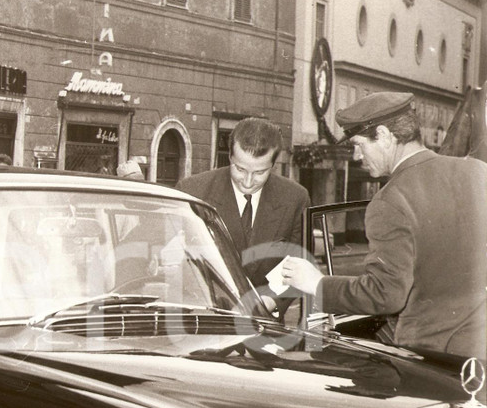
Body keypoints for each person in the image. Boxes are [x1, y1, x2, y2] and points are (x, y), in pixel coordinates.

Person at [282, 91, 487, 360]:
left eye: (358, 144)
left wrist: (317, 284)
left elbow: (386, 295)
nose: (356, 156)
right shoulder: (478, 172)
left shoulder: (391, 199)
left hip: (432, 356)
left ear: (385, 136)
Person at [176, 117, 310, 314]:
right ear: (229, 156)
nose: (247, 182)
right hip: (205, 318)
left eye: (259, 172)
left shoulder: (295, 198)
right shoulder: (193, 191)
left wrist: (271, 300)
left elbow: (298, 263)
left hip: (264, 324)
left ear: (273, 164)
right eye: (240, 169)